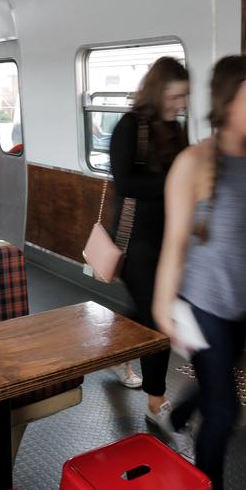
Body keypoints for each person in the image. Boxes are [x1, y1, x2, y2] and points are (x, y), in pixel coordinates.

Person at [153, 54, 246, 490]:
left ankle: (177, 415)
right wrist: (162, 306)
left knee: (218, 383)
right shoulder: (192, 164)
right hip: (200, 305)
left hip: (240, 307)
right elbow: (174, 244)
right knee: (225, 412)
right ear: (229, 101)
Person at [108, 57, 190, 428]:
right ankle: (155, 400)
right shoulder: (130, 127)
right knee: (158, 316)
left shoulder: (177, 130)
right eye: (175, 96)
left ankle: (118, 347)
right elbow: (125, 183)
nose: (181, 105)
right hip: (136, 238)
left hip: (169, 236)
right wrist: (173, 184)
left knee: (146, 309)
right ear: (158, 92)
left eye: (185, 97)